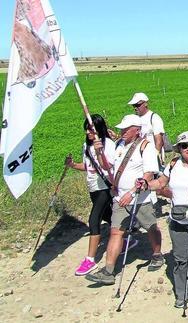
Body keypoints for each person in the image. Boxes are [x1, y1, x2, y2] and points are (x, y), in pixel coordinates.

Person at [139, 131, 188, 308]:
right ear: (179, 149)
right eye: (184, 145)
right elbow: (160, 183)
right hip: (177, 219)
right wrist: (146, 185)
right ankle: (184, 293)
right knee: (181, 258)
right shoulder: (173, 164)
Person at [86, 115, 164, 285]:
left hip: (140, 198)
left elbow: (149, 173)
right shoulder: (119, 145)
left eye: (126, 129)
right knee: (116, 232)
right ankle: (108, 271)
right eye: (121, 129)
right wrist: (100, 153)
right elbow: (108, 166)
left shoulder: (146, 147)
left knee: (150, 227)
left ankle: (157, 254)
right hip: (120, 198)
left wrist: (132, 192)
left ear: (136, 130)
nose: (122, 132)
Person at [66, 115, 115, 276]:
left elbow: (106, 167)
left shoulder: (108, 145)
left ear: (99, 129)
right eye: (86, 128)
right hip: (93, 187)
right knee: (108, 216)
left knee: (94, 220)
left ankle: (90, 259)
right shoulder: (86, 146)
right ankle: (126, 237)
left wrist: (100, 151)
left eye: (91, 128)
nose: (88, 132)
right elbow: (88, 167)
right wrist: (72, 165)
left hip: (105, 187)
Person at [127, 92, 166, 163]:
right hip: (138, 157)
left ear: (145, 103)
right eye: (133, 105)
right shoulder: (134, 119)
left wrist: (155, 156)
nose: (135, 108)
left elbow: (159, 140)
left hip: (152, 156)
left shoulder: (154, 118)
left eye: (137, 105)